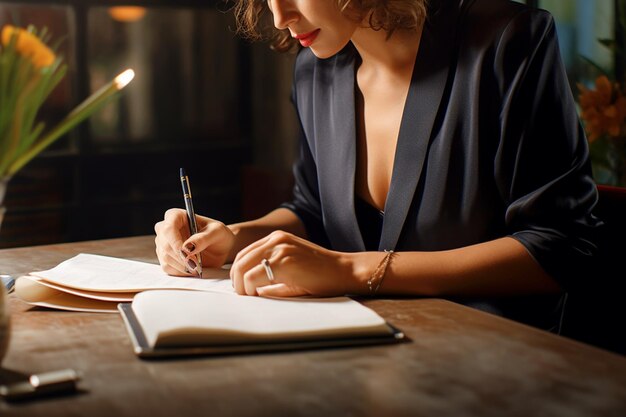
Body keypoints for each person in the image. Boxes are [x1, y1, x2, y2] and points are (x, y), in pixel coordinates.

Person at [155, 0, 601, 332]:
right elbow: (311, 210)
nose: (279, 16)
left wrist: (353, 271)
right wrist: (234, 238)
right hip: (358, 352)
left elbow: (559, 248)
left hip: (494, 361)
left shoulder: (506, 41)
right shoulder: (316, 71)